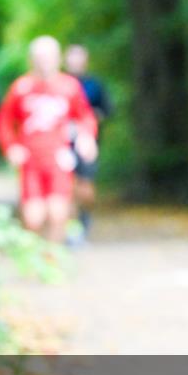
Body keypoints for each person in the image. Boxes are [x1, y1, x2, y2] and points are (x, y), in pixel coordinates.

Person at [0, 36, 98, 242]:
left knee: (58, 213)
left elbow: (85, 116)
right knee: (33, 217)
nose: (44, 62)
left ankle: (53, 260)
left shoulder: (69, 86)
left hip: (58, 159)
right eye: (39, 57)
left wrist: (87, 137)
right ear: (31, 59)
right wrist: (11, 147)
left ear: (57, 59)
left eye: (48, 57)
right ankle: (34, 258)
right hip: (31, 161)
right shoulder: (21, 87)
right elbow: (3, 121)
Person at [64, 44, 113, 237]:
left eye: (78, 58)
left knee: (85, 188)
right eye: (71, 58)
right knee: (67, 187)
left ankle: (84, 218)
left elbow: (107, 110)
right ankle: (71, 229)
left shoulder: (95, 84)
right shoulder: (60, 83)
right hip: (62, 145)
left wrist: (90, 119)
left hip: (88, 143)